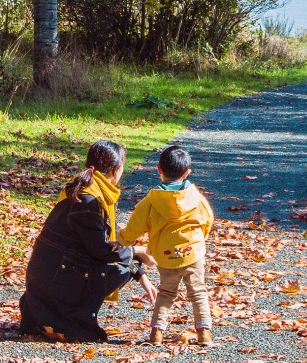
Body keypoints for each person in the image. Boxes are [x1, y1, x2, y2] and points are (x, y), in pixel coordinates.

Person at [18, 139, 153, 342]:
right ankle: (71, 318)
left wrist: (140, 273)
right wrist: (136, 251)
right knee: (119, 269)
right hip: (56, 279)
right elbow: (102, 250)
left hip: (48, 276)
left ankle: (61, 316)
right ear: (115, 169)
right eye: (122, 166)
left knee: (123, 265)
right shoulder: (89, 200)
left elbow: (106, 243)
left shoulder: (88, 190)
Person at [119, 144, 216, 346]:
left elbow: (135, 227)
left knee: (166, 292)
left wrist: (121, 240)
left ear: (158, 169)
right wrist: (199, 241)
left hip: (165, 254)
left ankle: (157, 333)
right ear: (187, 173)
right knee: (198, 291)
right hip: (193, 251)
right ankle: (204, 333)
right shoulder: (196, 197)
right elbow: (207, 220)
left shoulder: (151, 201)